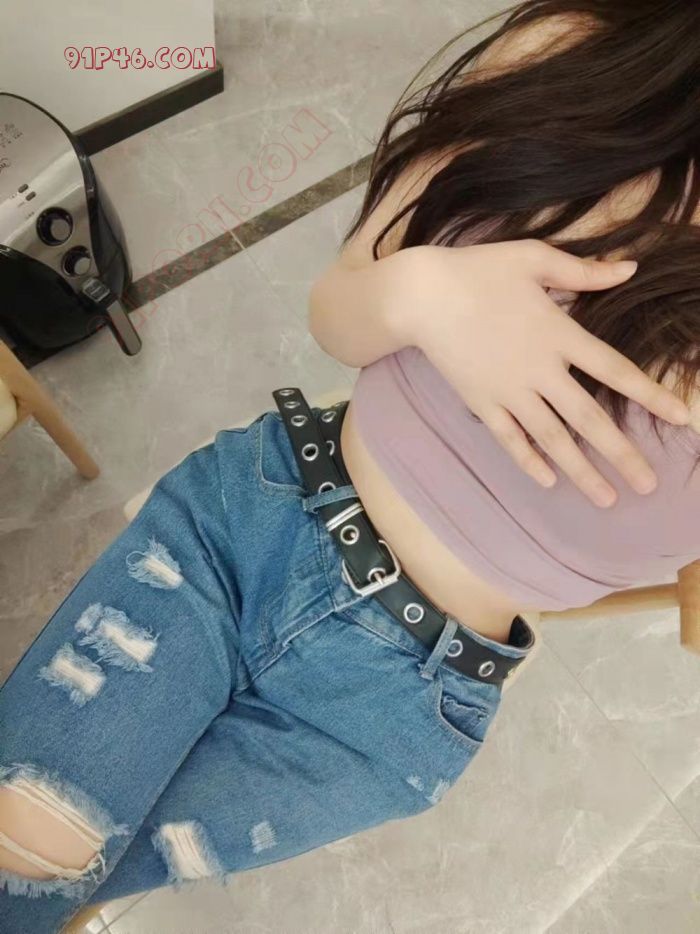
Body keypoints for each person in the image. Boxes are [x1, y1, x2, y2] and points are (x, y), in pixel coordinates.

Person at [1, 2, 698, 931]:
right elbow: (339, 305)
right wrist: (422, 293)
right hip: (246, 533)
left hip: (388, 718)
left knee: (52, 886)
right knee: (20, 873)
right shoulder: (578, 57)